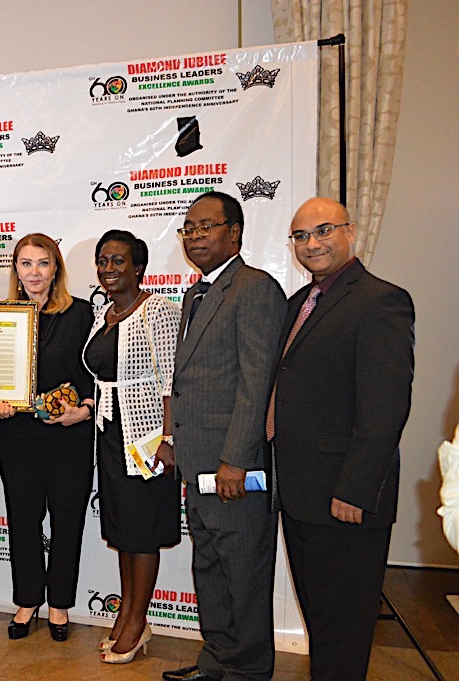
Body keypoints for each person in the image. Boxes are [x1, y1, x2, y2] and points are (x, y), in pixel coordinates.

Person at [269, 197, 414, 681]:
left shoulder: (380, 301)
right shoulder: (298, 304)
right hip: (301, 493)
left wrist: (355, 489)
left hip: (344, 499)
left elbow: (385, 408)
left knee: (344, 629)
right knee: (322, 622)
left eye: (323, 230)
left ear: (351, 232)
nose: (311, 243)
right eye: (301, 236)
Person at [163, 191, 287, 681]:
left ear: (234, 233)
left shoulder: (254, 288)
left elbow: (257, 383)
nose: (195, 237)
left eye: (206, 226)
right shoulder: (196, 294)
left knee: (242, 573)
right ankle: (217, 662)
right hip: (198, 464)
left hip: (233, 467)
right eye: (188, 229)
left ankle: (248, 670)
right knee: (211, 569)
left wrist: (236, 459)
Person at [81, 230, 182, 664]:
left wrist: (168, 440)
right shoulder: (101, 314)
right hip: (110, 436)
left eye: (118, 261)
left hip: (147, 438)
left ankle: (138, 622)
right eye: (103, 260)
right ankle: (126, 614)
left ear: (139, 268)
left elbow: (173, 380)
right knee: (124, 531)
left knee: (142, 532)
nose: (108, 269)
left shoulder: (158, 310)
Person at [0, 234, 95, 643]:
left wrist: (85, 409)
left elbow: (96, 375)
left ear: (56, 269)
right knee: (23, 519)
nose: (34, 272)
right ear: (15, 270)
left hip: (69, 435)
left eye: (43, 263)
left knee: (67, 520)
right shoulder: (1, 316)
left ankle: (60, 604)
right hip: (17, 434)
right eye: (26, 263)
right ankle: (27, 600)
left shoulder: (82, 314)